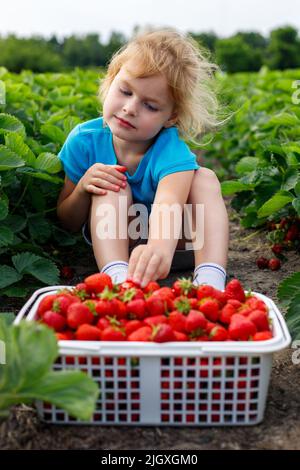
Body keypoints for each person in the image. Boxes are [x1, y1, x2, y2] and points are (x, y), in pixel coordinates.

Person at [56, 28, 229, 290]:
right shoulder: (84, 140)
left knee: (204, 179)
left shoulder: (170, 150)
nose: (130, 108)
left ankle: (210, 280)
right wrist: (83, 188)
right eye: (125, 91)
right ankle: (118, 280)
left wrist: (158, 249)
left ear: (171, 117)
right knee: (111, 180)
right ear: (110, 81)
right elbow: (67, 221)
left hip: (176, 248)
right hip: (115, 243)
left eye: (150, 106)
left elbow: (169, 204)